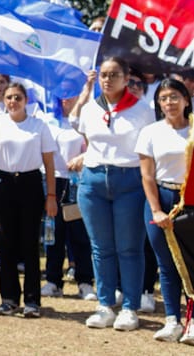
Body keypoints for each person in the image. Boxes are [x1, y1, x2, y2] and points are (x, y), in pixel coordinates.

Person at [73, 58, 154, 330]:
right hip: (94, 181)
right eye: (103, 75)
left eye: (113, 75)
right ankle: (105, 304)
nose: (107, 80)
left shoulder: (142, 110)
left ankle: (130, 307)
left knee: (129, 248)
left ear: (126, 77)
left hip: (129, 180)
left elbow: (147, 150)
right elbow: (90, 143)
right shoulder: (90, 110)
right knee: (101, 248)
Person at [0, 80, 57, 318]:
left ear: (26, 100)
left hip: (30, 185)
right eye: (9, 98)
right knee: (6, 245)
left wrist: (51, 196)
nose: (13, 102)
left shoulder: (39, 126)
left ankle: (32, 301)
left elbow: (49, 163)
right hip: (4, 185)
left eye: (17, 97)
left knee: (29, 245)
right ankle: (8, 299)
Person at [135, 78, 193, 343]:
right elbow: (147, 176)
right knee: (166, 263)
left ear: (186, 100)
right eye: (163, 98)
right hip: (161, 197)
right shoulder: (150, 132)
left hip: (190, 199)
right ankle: (172, 320)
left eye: (174, 97)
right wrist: (156, 210)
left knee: (192, 262)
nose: (169, 103)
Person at [39, 95, 97, 302]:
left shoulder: (84, 121)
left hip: (75, 181)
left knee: (79, 234)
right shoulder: (46, 119)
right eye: (61, 95)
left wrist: (82, 158)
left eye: (71, 95)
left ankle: (84, 281)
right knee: (53, 233)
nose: (65, 100)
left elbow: (93, 148)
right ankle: (53, 281)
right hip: (52, 181)